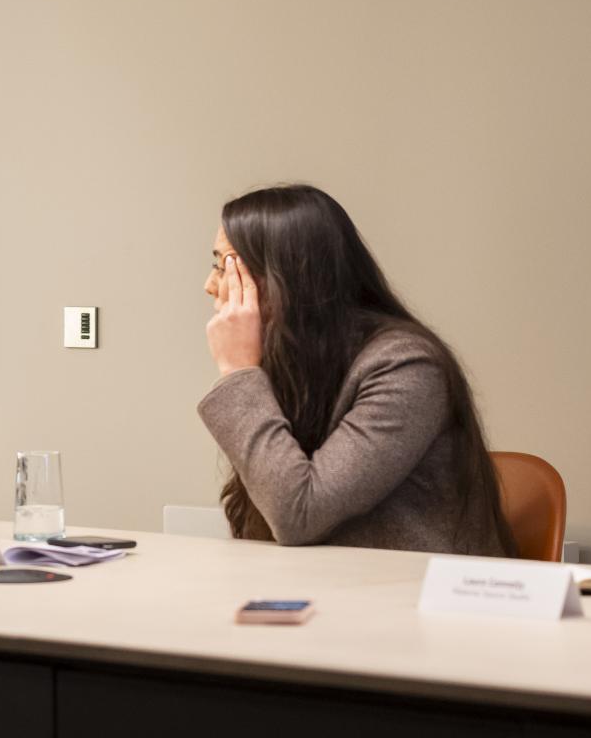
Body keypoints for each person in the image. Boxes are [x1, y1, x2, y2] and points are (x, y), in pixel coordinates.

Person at [197, 184, 513, 554]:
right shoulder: (297, 363)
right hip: (327, 590)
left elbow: (298, 514)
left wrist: (237, 372)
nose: (210, 285)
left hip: (413, 598)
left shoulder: (407, 367)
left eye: (226, 265)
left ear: (289, 277)